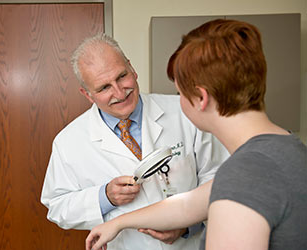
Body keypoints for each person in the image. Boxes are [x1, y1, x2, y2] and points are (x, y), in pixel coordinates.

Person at [85, 19, 307, 250]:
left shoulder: (243, 176)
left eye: (180, 92)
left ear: (201, 98)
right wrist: (119, 223)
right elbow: (188, 205)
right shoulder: (285, 147)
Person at [40, 33, 229, 250]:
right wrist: (105, 197)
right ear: (87, 94)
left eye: (122, 76)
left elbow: (219, 177)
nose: (120, 93)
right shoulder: (69, 142)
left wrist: (188, 225)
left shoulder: (183, 111)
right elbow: (57, 206)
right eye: (104, 88)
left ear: (132, 68)